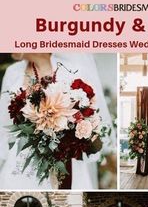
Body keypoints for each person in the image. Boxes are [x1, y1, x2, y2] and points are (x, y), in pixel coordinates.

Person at [0, 52, 113, 189]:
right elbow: (4, 125)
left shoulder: (73, 69)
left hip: (66, 161)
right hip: (20, 163)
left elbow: (93, 116)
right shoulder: (13, 72)